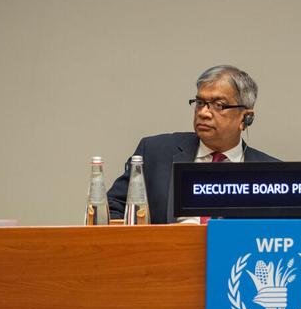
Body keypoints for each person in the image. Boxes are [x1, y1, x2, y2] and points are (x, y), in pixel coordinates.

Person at [108, 65, 278, 223]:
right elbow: (112, 209)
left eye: (218, 105)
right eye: (200, 103)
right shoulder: (154, 153)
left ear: (245, 118)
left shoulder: (272, 173)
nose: (204, 113)